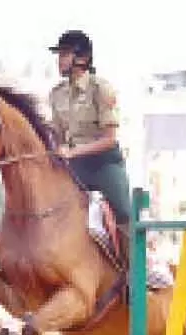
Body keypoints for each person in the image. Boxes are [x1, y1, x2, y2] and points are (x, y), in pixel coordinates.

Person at [47, 30, 132, 244]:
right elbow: (57, 133)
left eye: (65, 54)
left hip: (103, 164)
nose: (60, 60)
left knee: (124, 213)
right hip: (74, 166)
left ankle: (140, 268)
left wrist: (72, 151)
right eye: (59, 55)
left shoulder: (100, 89)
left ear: (82, 58)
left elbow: (110, 139)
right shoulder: (56, 93)